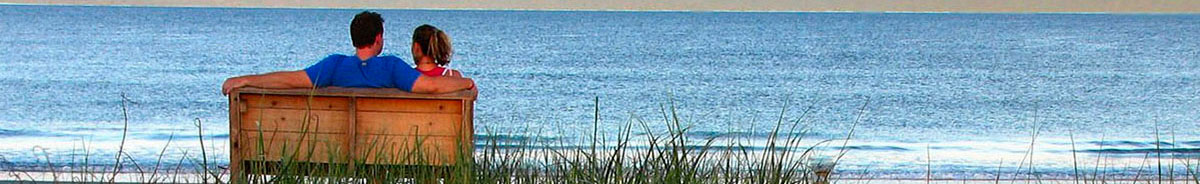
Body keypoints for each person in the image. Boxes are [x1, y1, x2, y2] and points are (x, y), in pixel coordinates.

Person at [221, 11, 474, 95]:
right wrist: (468, 82)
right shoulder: (392, 68)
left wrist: (247, 79)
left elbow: (290, 79)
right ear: (378, 39)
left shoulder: (333, 66)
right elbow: (430, 86)